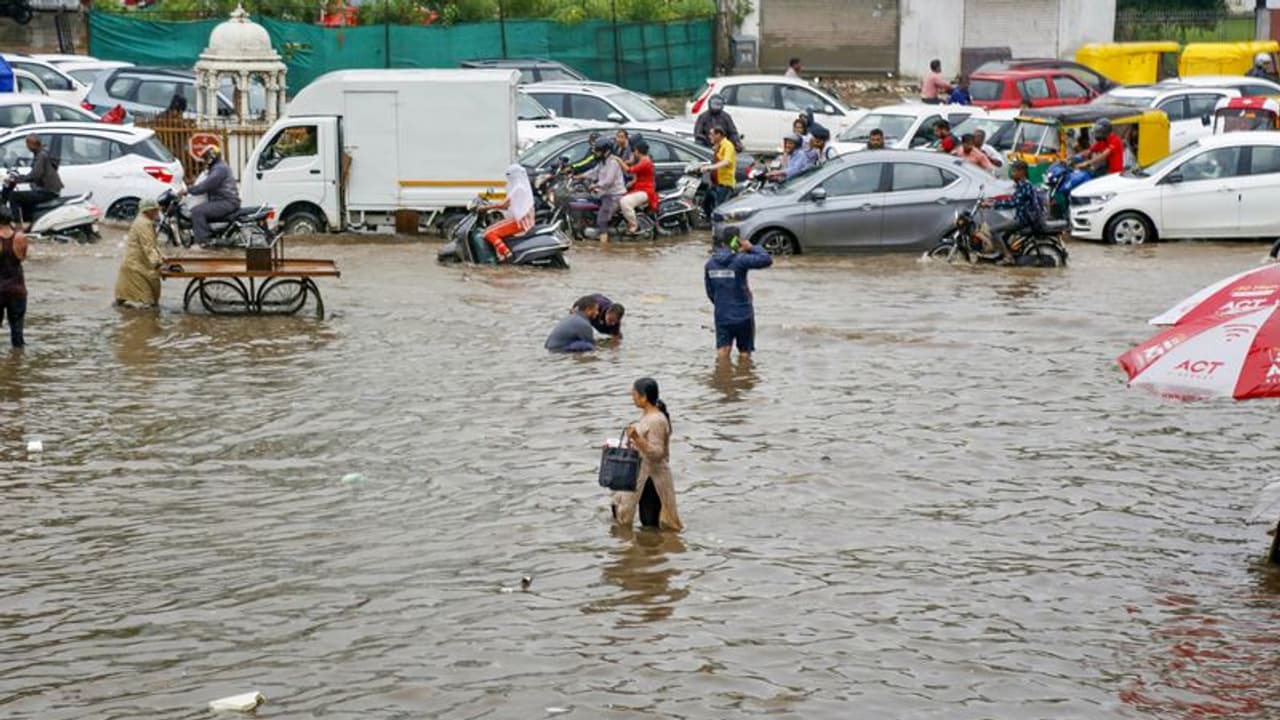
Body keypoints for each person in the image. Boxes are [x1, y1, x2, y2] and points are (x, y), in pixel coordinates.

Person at [611, 377, 683, 531]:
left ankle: (652, 551)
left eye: (635, 395)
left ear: (644, 397)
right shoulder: (649, 416)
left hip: (652, 479)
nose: (633, 398)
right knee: (643, 520)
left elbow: (657, 453)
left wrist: (636, 437)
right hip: (643, 475)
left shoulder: (656, 420)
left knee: (650, 524)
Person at [705, 225, 772, 360]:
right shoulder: (740, 260)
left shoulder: (710, 264)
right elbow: (767, 259)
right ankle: (743, 379)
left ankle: (722, 378)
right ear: (737, 241)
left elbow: (710, 291)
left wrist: (721, 304)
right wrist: (751, 248)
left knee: (723, 350)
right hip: (743, 314)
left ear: (723, 241)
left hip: (722, 314)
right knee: (745, 353)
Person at [985, 160, 1045, 264]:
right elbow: (1013, 199)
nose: (1012, 174)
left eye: (1014, 171)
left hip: (1023, 220)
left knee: (993, 230)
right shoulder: (1022, 184)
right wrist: (993, 201)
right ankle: (1004, 252)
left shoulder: (1025, 185)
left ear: (1022, 172)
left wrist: (993, 205)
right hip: (1022, 217)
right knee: (1004, 233)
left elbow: (1014, 202)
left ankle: (1008, 257)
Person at [477, 164, 536, 262]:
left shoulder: (518, 188)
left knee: (488, 233)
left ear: (514, 176)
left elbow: (504, 205)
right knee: (492, 228)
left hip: (520, 222)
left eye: (510, 176)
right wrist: (491, 205)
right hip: (523, 220)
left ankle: (507, 256)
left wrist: (486, 207)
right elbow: (508, 205)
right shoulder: (521, 186)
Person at [183, 146, 240, 246]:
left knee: (197, 211)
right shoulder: (218, 167)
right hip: (223, 201)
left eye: (205, 158)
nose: (204, 161)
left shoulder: (219, 168)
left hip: (226, 202)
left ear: (211, 157)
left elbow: (207, 185)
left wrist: (189, 190)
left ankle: (205, 241)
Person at [114, 197, 165, 307]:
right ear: (148, 211)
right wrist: (158, 262)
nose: (157, 212)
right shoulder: (144, 224)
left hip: (134, 264)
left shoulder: (142, 220)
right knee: (148, 301)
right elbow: (148, 246)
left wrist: (160, 257)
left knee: (123, 297)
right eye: (155, 210)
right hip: (137, 267)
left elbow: (150, 245)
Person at [7, 135, 62, 226]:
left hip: (46, 191)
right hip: (45, 189)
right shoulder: (41, 153)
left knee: (13, 196)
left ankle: (18, 226)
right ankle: (28, 223)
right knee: (24, 199)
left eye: (27, 144)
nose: (27, 147)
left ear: (32, 144)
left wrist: (18, 179)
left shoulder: (41, 156)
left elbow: (35, 175)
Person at [581, 138, 628, 242]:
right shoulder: (603, 162)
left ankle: (604, 245)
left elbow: (608, 181)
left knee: (602, 219)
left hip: (614, 195)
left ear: (606, 151)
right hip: (604, 193)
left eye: (598, 151)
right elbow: (594, 172)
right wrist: (579, 176)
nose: (596, 154)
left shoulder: (613, 162)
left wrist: (595, 185)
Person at [0, 207, 26, 349]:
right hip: (17, 289)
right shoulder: (20, 237)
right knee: (17, 333)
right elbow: (22, 258)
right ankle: (17, 362)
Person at [619, 138, 656, 235]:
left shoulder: (645, 161)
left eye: (634, 150)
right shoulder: (643, 160)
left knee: (625, 202)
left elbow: (629, 170)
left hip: (646, 190)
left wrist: (619, 160)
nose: (633, 153)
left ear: (638, 151)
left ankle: (633, 225)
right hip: (639, 187)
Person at [700, 126, 737, 217]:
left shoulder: (728, 145)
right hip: (715, 182)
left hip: (724, 183)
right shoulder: (718, 146)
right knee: (706, 203)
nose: (709, 136)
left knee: (719, 208)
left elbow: (726, 161)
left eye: (711, 134)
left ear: (718, 135)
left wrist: (710, 168)